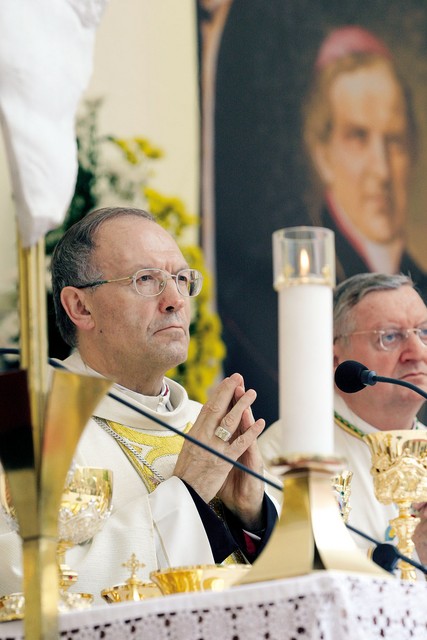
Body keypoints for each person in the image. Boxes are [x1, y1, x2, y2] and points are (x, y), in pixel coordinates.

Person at [0, 206, 277, 603]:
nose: (175, 300)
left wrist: (252, 518)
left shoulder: (206, 426)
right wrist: (188, 496)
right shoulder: (30, 422)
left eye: (181, 280)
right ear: (80, 307)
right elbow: (25, 579)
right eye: (146, 279)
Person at [259, 272, 427, 571]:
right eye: (389, 336)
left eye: (423, 332)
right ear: (335, 359)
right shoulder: (288, 450)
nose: (418, 353)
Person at [303, 26, 427, 298]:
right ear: (323, 154)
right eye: (358, 137)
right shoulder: (306, 285)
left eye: (394, 140)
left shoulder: (420, 282)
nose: (382, 171)